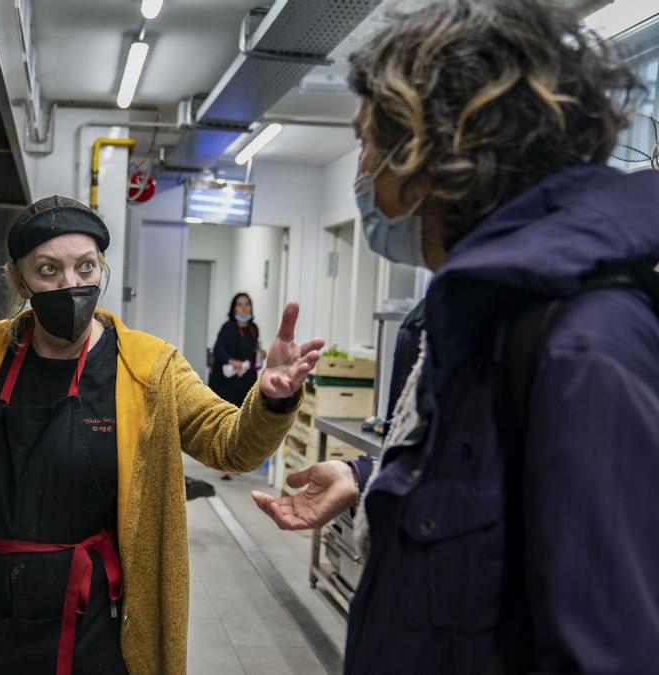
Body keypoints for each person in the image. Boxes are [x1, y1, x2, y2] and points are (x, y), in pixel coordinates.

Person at [251, 2, 659, 673]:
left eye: (367, 142)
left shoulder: (583, 347)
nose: (361, 172)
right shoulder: (473, 318)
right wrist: (368, 476)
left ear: (429, 152)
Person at [0, 195, 324, 675]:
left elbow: (230, 443)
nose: (71, 283)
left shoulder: (149, 367)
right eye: (48, 270)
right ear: (20, 282)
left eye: (86, 266)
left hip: (93, 619)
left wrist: (272, 398)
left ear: (102, 270)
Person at [208, 293, 266, 479]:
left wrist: (260, 354)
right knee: (227, 421)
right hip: (226, 381)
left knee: (243, 422)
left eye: (247, 304)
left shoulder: (253, 329)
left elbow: (253, 351)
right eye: (239, 305)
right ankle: (224, 464)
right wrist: (231, 360)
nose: (243, 308)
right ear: (234, 309)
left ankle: (237, 461)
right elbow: (218, 350)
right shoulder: (228, 327)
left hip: (245, 381)